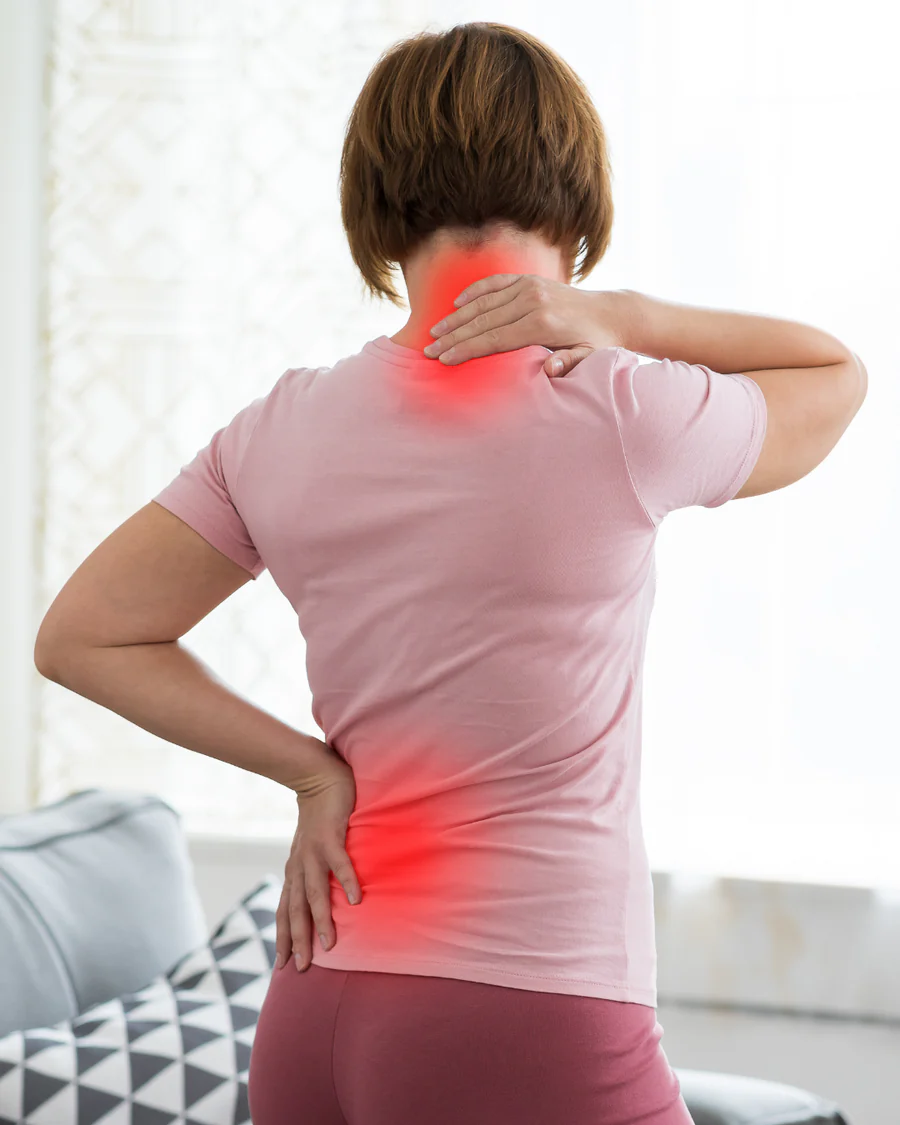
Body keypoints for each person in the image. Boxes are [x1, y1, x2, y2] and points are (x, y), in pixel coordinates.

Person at [33, 21, 867, 1125]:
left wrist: (313, 773)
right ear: (578, 202)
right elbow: (836, 375)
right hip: (528, 1008)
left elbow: (83, 635)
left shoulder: (282, 423)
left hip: (315, 1013)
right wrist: (617, 318)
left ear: (374, 204)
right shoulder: (617, 408)